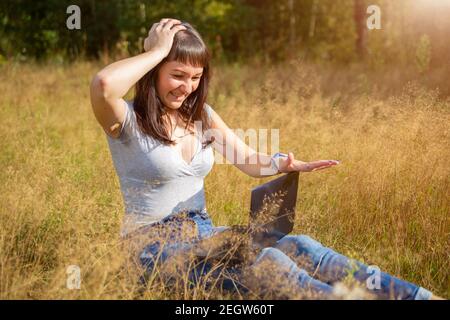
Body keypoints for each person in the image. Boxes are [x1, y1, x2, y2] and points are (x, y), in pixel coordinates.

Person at [90, 18, 441, 300]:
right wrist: (158, 49)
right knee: (270, 264)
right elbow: (104, 83)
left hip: (205, 233)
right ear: (153, 72)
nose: (187, 87)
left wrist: (282, 164)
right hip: (150, 250)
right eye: (177, 75)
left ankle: (418, 297)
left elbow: (245, 159)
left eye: (195, 78)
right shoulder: (126, 120)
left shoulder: (202, 117)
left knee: (299, 245)